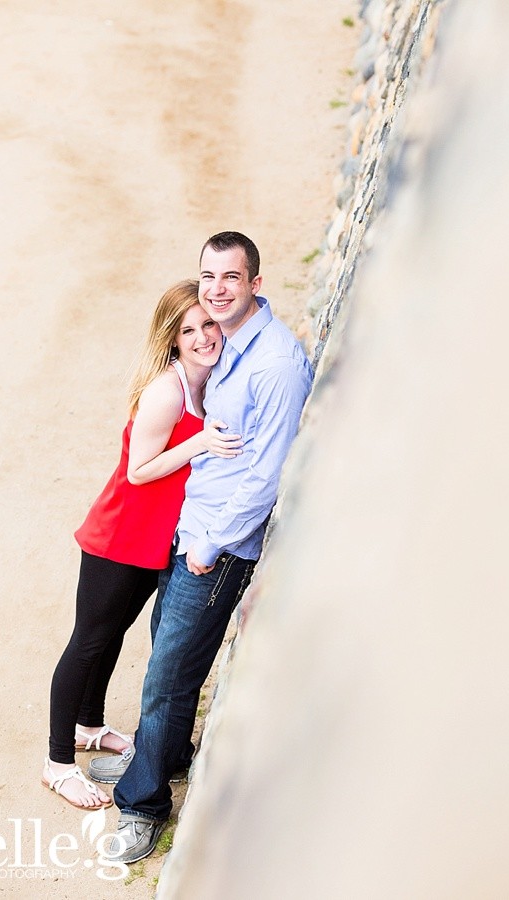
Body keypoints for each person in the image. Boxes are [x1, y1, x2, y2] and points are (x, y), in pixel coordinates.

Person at [88, 231, 313, 860]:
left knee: (166, 673)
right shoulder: (232, 345)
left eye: (231, 278)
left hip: (214, 547)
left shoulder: (275, 364)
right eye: (208, 275)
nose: (216, 289)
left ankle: (143, 806)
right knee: (168, 654)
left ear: (255, 284)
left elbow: (267, 474)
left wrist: (209, 546)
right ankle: (163, 759)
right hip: (189, 530)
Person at [42, 279, 242, 809]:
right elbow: (138, 471)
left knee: (112, 637)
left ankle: (89, 725)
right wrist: (199, 441)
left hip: (150, 541)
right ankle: (58, 763)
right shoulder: (167, 391)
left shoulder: (209, 380)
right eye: (189, 330)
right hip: (118, 537)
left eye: (208, 324)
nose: (203, 336)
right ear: (172, 339)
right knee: (89, 641)